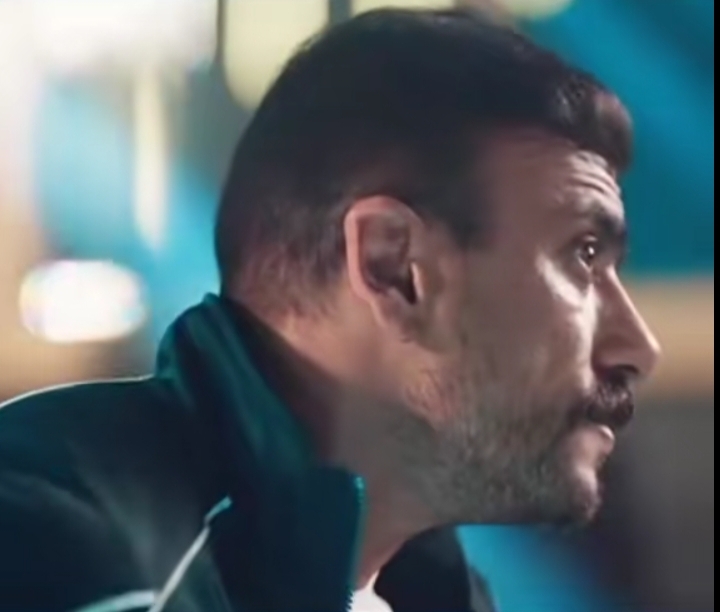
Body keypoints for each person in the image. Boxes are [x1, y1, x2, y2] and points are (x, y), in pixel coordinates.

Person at [0, 7, 660, 612]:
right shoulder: (52, 531)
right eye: (583, 255)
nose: (639, 346)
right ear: (392, 266)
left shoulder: (435, 592)